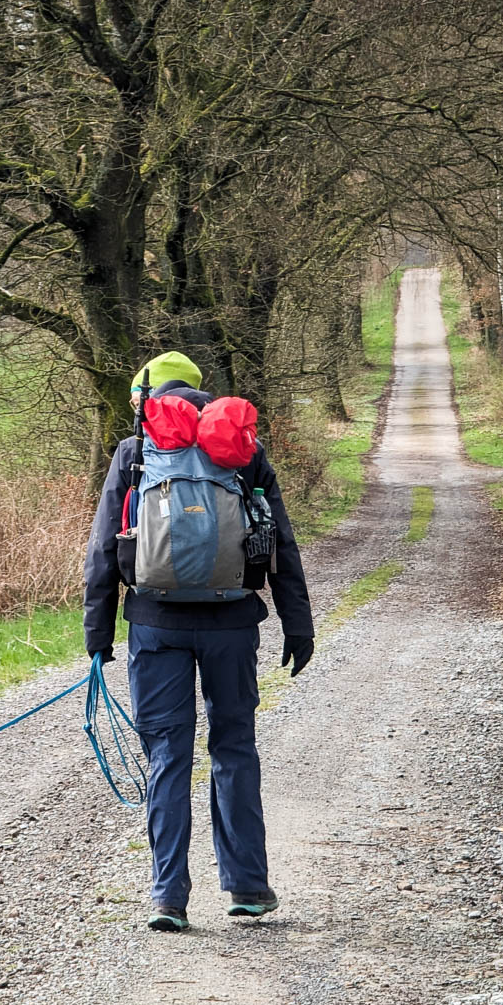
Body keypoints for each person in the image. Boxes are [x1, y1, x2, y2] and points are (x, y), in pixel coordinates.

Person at [83, 350, 315, 932]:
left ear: (148, 397)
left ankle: (168, 897)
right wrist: (297, 622)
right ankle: (248, 888)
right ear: (201, 394)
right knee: (234, 751)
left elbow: (104, 549)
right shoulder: (241, 449)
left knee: (167, 756)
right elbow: (278, 540)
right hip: (233, 624)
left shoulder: (136, 452)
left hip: (155, 625)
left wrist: (97, 633)